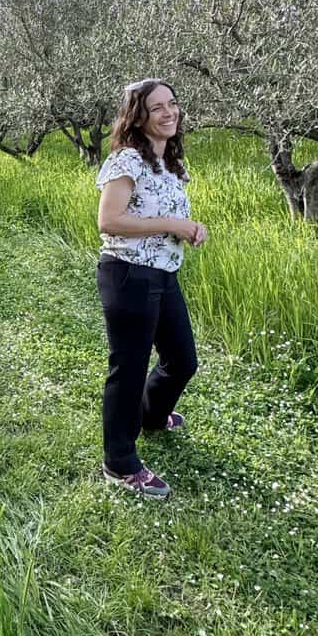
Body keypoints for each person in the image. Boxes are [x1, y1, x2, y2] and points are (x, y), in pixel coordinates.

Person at [95, 79, 208, 498]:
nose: (169, 112)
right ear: (137, 116)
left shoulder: (169, 163)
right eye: (157, 107)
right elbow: (109, 221)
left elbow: (165, 216)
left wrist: (190, 229)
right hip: (128, 274)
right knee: (129, 368)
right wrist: (172, 225)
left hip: (163, 274)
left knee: (182, 359)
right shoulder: (127, 160)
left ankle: (152, 416)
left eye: (172, 104)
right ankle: (120, 462)